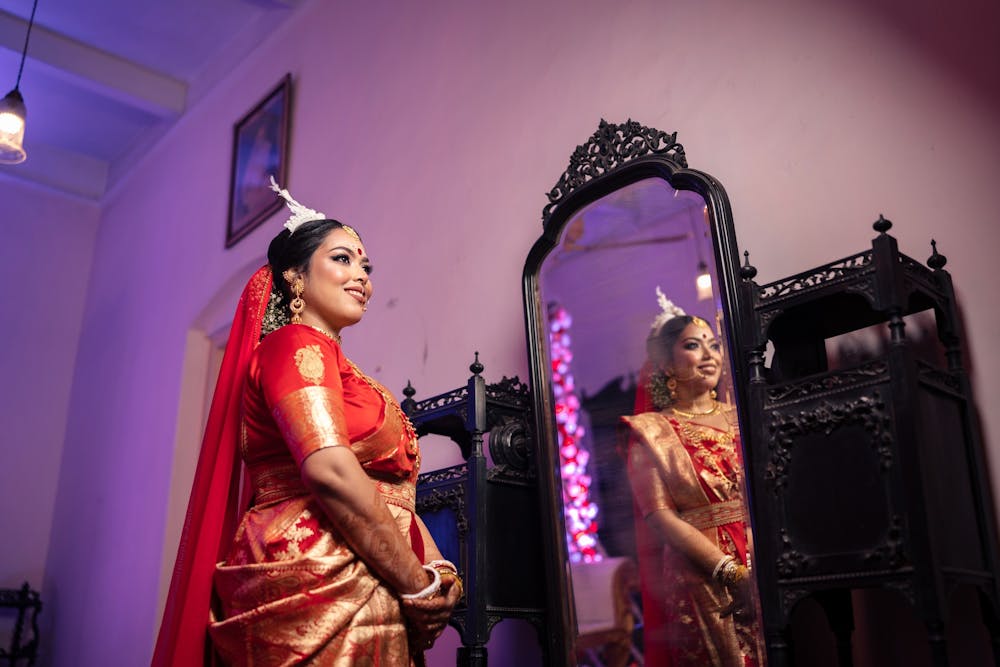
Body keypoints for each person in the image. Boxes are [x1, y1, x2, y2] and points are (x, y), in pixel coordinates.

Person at [153, 179, 460, 666]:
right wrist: (418, 585)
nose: (361, 275)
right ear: (295, 277)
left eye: (366, 265)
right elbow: (331, 471)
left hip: (368, 576)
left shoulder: (344, 369)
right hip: (316, 583)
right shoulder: (295, 346)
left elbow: (392, 490)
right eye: (342, 258)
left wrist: (438, 569)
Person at [619, 289, 761, 666]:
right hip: (700, 570)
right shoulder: (651, 432)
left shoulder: (743, 416)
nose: (709, 354)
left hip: (763, 555)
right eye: (693, 346)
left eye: (713, 346)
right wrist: (729, 571)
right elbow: (660, 516)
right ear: (666, 364)